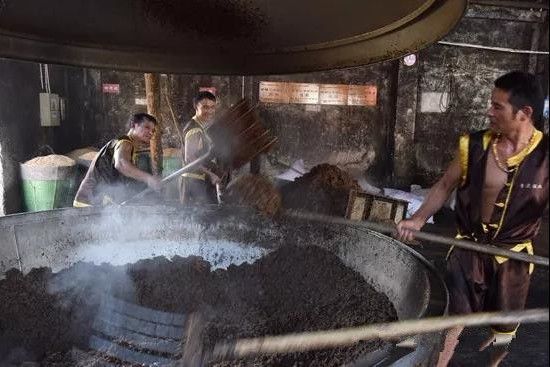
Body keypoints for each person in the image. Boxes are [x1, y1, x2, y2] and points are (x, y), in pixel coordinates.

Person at [396, 71, 548, 367]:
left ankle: (492, 363)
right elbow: (444, 185)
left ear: (524, 113)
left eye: (497, 106)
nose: (488, 112)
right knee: (452, 321)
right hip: (468, 250)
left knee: (503, 331)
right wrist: (417, 219)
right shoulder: (473, 146)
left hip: (514, 258)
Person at [73, 113, 162, 207]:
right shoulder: (125, 142)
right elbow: (121, 164)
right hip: (89, 204)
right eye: (147, 127)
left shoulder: (129, 147)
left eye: (153, 130)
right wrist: (148, 178)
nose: (151, 132)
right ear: (134, 125)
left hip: (97, 203)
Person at [180, 91, 228, 205]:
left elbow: (199, 156)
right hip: (193, 182)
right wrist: (210, 174)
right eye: (205, 107)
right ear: (196, 107)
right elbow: (189, 158)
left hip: (196, 180)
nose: (210, 111)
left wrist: (214, 168)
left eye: (212, 107)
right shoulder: (194, 129)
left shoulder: (200, 127)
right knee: (197, 219)